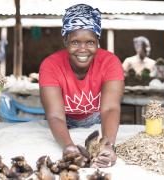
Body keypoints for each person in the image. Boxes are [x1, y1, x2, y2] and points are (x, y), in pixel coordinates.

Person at [38, 4, 124, 168]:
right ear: (65, 41)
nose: (83, 49)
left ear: (98, 41)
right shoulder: (50, 65)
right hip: (62, 123)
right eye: (75, 42)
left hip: (97, 121)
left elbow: (110, 109)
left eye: (90, 42)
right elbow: (55, 116)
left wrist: (107, 144)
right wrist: (68, 146)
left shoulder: (110, 63)